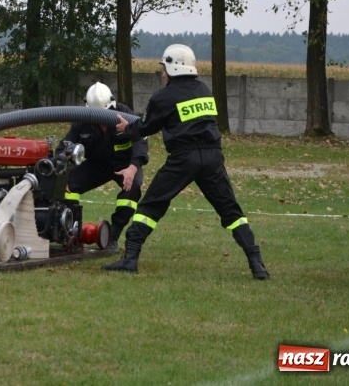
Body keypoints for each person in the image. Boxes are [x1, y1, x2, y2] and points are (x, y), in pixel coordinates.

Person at [103, 44, 269, 279]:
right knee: (230, 210)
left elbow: (148, 126)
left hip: (183, 158)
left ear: (172, 67)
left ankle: (130, 258)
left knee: (150, 206)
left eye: (164, 68)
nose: (162, 73)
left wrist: (127, 128)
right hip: (212, 157)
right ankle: (257, 263)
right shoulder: (204, 90)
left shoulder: (163, 96)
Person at [56, 82, 148, 252]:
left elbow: (141, 141)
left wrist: (133, 168)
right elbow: (65, 146)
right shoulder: (82, 120)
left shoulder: (124, 114)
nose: (101, 120)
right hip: (95, 165)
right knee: (67, 187)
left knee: (132, 189)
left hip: (124, 165)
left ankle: (113, 236)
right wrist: (61, 172)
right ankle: (70, 232)